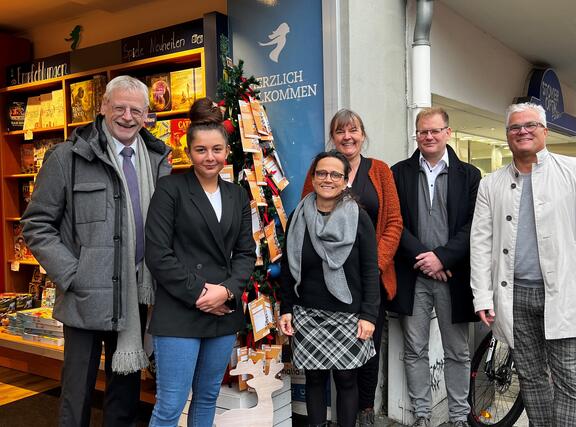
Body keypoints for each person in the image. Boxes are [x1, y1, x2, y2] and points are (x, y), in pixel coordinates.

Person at [21, 75, 172, 427]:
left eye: (136, 110)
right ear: (103, 106)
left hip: (135, 294)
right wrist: (73, 274)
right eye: (118, 107)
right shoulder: (68, 157)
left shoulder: (157, 159)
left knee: (124, 397)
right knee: (77, 396)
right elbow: (37, 224)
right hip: (85, 298)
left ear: (147, 114)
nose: (127, 116)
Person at [470, 102, 576, 426]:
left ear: (545, 131)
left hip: (566, 295)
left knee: (570, 381)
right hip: (515, 297)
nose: (522, 131)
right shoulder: (490, 184)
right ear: (507, 135)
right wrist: (482, 295)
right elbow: (480, 245)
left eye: (530, 125)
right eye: (515, 127)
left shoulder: (574, 171)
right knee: (531, 378)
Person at [144, 97, 256, 426]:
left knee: (207, 398)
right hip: (179, 310)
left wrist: (226, 292)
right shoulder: (171, 189)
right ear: (188, 151)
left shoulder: (236, 194)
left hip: (223, 312)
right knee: (170, 404)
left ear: (227, 151)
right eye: (202, 150)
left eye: (217, 149)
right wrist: (201, 294)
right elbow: (157, 253)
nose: (210, 157)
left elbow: (246, 253)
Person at [301, 109, 402, 426]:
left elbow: (394, 224)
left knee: (367, 352)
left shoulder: (381, 171)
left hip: (369, 282)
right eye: (341, 131)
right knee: (328, 360)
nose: (348, 136)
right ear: (333, 136)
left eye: (353, 130)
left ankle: (365, 413)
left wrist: (373, 263)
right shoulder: (321, 170)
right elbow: (306, 218)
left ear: (362, 134)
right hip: (326, 284)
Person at [391, 107, 480, 427]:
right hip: (413, 277)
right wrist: (427, 260)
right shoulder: (398, 172)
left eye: (434, 131)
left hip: (452, 277)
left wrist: (442, 257)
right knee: (414, 350)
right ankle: (422, 415)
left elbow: (473, 226)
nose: (428, 136)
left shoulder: (469, 175)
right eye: (422, 131)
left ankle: (458, 417)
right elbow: (394, 223)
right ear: (416, 134)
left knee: (458, 350)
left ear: (448, 132)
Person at [279, 150, 380, 427]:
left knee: (347, 378)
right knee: (314, 377)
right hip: (307, 312)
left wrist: (369, 315)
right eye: (322, 173)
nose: (328, 179)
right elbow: (289, 265)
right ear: (312, 178)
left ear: (346, 180)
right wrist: (286, 308)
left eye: (336, 174)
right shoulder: (298, 215)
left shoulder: (359, 217)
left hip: (348, 312)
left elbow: (371, 269)